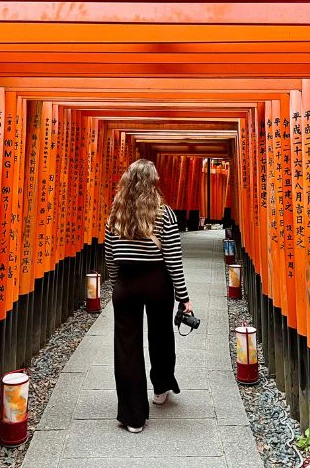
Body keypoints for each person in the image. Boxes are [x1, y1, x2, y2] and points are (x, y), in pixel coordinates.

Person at [104, 158, 193, 433]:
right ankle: (161, 387)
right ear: (153, 182)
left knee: (127, 346)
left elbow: (109, 256)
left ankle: (133, 416)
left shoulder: (115, 214)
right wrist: (184, 297)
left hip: (127, 282)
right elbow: (173, 259)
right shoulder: (164, 214)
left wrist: (116, 281)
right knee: (161, 334)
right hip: (157, 281)